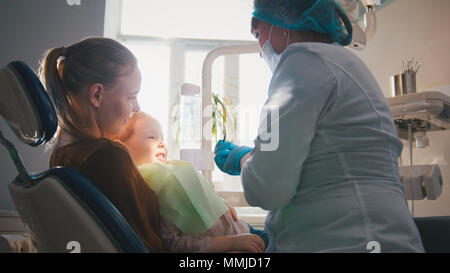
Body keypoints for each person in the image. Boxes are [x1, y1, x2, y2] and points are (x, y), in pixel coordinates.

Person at [214, 0, 424, 252]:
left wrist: (244, 159)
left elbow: (266, 189)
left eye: (258, 34)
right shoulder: (348, 65)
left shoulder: (299, 62)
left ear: (280, 23)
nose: (261, 49)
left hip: (345, 241)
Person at [39, 37, 164, 252]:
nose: (137, 106)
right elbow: (146, 244)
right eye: (132, 96)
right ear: (97, 95)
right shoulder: (108, 157)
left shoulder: (62, 156)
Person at [118, 112, 267, 253]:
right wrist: (231, 243)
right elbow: (176, 243)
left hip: (243, 229)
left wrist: (219, 202)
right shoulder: (150, 191)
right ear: (123, 148)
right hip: (239, 240)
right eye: (151, 137)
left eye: (162, 138)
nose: (162, 143)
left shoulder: (171, 172)